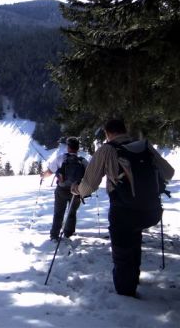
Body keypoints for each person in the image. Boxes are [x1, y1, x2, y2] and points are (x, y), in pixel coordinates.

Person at [72, 119, 175, 297]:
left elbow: (89, 185)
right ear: (125, 130)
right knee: (134, 239)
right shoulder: (143, 146)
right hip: (150, 210)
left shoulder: (106, 150)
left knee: (123, 249)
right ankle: (133, 278)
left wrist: (76, 190)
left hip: (123, 211)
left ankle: (126, 294)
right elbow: (169, 172)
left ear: (107, 133)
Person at [42, 136, 88, 241]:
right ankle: (69, 233)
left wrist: (43, 176)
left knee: (58, 213)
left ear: (68, 147)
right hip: (76, 191)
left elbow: (50, 171)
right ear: (77, 148)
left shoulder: (61, 158)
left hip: (61, 190)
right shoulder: (82, 161)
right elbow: (90, 174)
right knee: (72, 212)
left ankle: (54, 235)